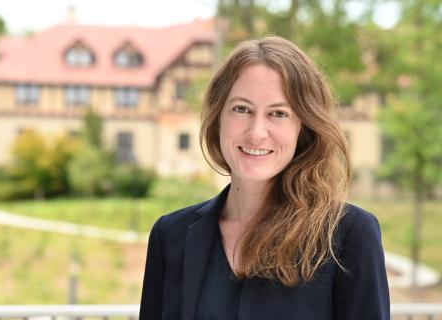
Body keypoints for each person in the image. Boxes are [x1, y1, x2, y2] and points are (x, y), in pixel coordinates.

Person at [139, 36, 390, 320]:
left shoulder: (349, 236)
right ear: (217, 117)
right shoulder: (170, 235)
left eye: (278, 113)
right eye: (242, 109)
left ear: (303, 128)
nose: (257, 131)